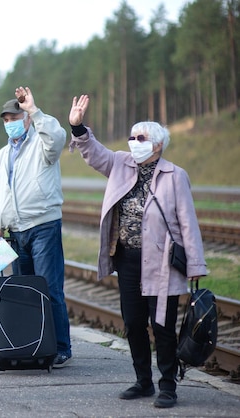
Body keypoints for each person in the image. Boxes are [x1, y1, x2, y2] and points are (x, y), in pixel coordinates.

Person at [67, 94, 207, 409]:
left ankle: (168, 385)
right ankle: (143, 381)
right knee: (132, 323)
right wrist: (77, 127)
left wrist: (196, 264)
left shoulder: (175, 176)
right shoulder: (119, 163)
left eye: (140, 138)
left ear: (157, 145)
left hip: (162, 263)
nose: (134, 142)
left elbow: (188, 222)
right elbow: (93, 152)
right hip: (128, 259)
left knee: (162, 326)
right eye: (131, 137)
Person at [0, 87, 72, 368]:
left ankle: (60, 347)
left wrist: (35, 111)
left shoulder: (42, 144)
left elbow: (58, 137)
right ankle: (33, 344)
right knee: (24, 293)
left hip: (43, 225)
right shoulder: (1, 155)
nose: (9, 122)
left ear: (25, 118)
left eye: (14, 116)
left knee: (49, 288)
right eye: (5, 119)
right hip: (14, 232)